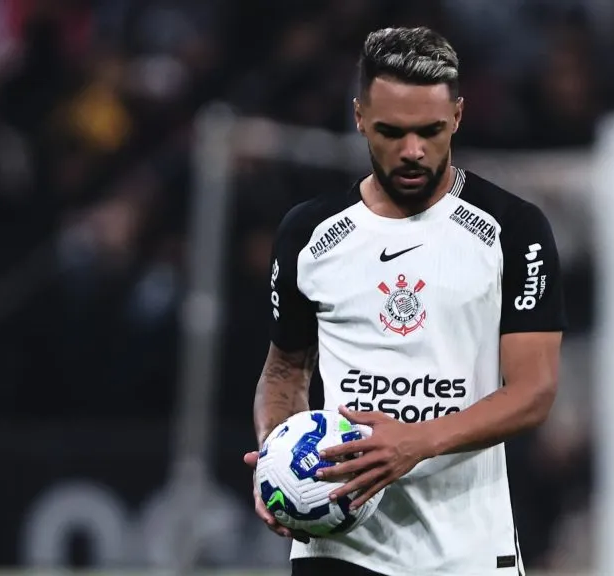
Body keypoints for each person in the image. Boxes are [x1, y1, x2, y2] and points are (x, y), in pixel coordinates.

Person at [242, 26, 566, 576]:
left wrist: (415, 443)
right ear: (360, 118)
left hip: (466, 552)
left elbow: (533, 392)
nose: (413, 151)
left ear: (458, 117)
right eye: (392, 131)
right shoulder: (309, 232)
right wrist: (279, 466)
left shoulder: (514, 230)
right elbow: (284, 371)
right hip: (339, 549)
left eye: (431, 131)